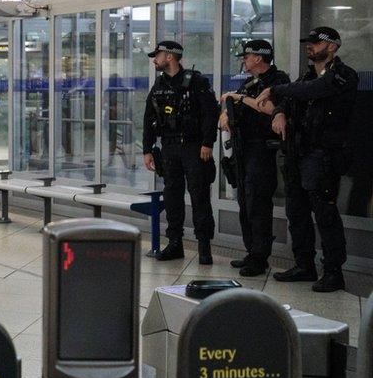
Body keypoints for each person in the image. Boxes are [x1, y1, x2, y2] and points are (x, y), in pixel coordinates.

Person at [257, 27, 359, 292]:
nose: (309, 47)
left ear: (333, 46)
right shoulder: (305, 77)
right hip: (297, 152)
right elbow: (293, 98)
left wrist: (275, 91)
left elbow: (314, 90)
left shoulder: (343, 76)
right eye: (308, 43)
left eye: (315, 43)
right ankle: (304, 265)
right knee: (296, 212)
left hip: (323, 154)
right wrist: (279, 111)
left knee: (325, 214)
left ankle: (334, 271)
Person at [142, 40, 219, 265]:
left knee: (199, 197)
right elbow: (149, 119)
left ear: (170, 56)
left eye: (157, 55)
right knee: (173, 197)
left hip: (194, 147)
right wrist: (147, 149)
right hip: (169, 147)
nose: (154, 60)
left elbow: (209, 114)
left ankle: (204, 247)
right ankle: (175, 243)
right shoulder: (159, 85)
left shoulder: (196, 82)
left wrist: (208, 143)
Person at [218, 40, 290, 276]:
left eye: (246, 56)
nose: (243, 60)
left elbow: (268, 108)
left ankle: (260, 257)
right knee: (245, 203)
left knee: (258, 203)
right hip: (243, 148)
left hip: (262, 148)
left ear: (258, 58)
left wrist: (239, 100)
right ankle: (251, 251)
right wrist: (227, 113)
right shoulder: (249, 83)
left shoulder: (278, 80)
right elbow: (233, 105)